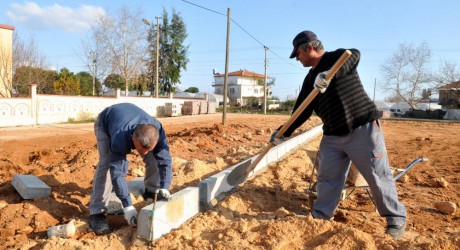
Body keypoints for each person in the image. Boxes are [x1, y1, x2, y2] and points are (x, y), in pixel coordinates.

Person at [270, 30, 407, 239]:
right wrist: (283, 132)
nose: (297, 58)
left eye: (297, 53)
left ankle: (395, 220)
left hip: (363, 130)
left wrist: (329, 75)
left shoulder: (338, 57)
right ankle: (321, 215)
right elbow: (301, 110)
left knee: (378, 177)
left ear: (309, 47)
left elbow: (354, 54)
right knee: (327, 178)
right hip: (333, 137)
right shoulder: (309, 80)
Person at [88, 103, 173, 235]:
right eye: (140, 149)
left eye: (147, 149)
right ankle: (97, 213)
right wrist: (127, 205)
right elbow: (117, 172)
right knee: (106, 165)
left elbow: (165, 160)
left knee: (155, 158)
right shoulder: (120, 138)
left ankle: (152, 192)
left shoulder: (158, 131)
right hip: (106, 122)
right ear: (133, 138)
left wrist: (165, 186)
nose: (143, 153)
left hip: (131, 121)